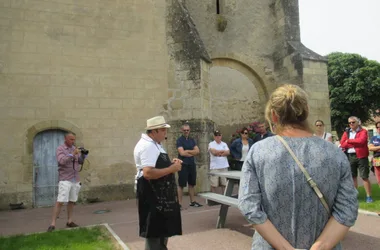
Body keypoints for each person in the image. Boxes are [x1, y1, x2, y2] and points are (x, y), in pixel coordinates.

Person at [238, 84, 358, 250]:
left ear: (273, 115)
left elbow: (249, 206)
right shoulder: (334, 153)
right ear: (306, 111)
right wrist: (319, 247)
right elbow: (347, 210)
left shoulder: (258, 151)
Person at [134, 116, 183, 250]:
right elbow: (148, 173)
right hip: (152, 192)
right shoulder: (148, 146)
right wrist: (171, 169)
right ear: (154, 131)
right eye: (163, 130)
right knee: (154, 229)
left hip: (159, 193)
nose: (165, 133)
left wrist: (170, 164)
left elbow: (156, 165)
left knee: (162, 228)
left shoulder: (155, 144)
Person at [47, 132, 86, 232]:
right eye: (71, 139)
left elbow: (79, 162)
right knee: (60, 201)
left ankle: (69, 221)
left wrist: (83, 156)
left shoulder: (75, 148)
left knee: (72, 201)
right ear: (66, 139)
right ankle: (53, 224)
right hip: (65, 179)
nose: (73, 141)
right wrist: (72, 155)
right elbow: (61, 161)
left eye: (74, 139)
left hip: (75, 178)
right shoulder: (61, 149)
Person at [340, 116, 373, 203]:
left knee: (364, 176)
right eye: (349, 123)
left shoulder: (363, 131)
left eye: (353, 122)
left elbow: (362, 141)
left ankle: (369, 196)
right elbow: (342, 144)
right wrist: (353, 142)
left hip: (361, 156)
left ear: (358, 122)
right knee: (353, 176)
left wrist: (349, 141)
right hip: (350, 156)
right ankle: (354, 196)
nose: (351, 124)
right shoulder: (346, 132)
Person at [176, 124, 202, 208]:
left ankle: (193, 202)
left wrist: (187, 151)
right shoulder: (179, 140)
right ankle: (179, 204)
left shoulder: (192, 140)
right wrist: (191, 152)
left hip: (191, 164)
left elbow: (197, 151)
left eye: (187, 130)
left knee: (191, 184)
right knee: (181, 185)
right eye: (185, 130)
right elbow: (182, 153)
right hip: (183, 165)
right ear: (182, 130)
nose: (186, 131)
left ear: (189, 130)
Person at [368, 121, 380, 186]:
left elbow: (373, 148)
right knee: (379, 179)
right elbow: (370, 148)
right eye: (377, 127)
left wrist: (376, 148)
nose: (379, 128)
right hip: (377, 160)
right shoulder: (374, 138)